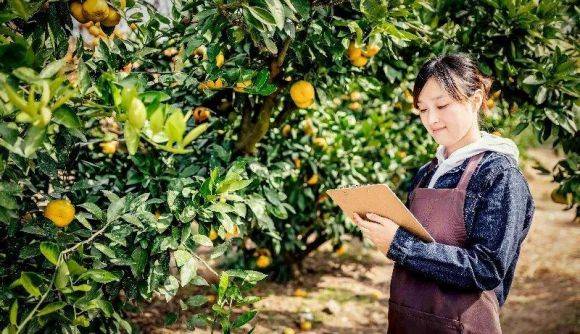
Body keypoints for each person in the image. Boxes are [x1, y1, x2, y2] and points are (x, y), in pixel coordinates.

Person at [352, 53, 535, 333]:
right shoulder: (428, 172)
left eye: (441, 105)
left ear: (474, 101)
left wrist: (399, 244)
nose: (431, 119)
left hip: (461, 325)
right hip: (407, 319)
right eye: (423, 110)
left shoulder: (499, 175)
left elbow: (486, 268)